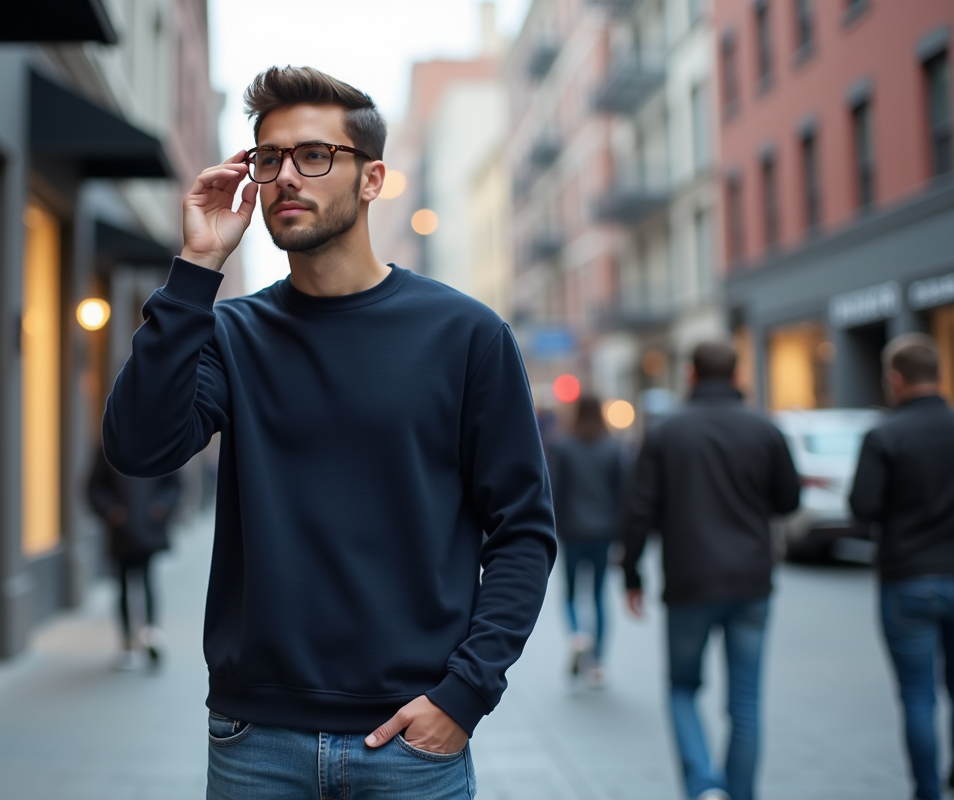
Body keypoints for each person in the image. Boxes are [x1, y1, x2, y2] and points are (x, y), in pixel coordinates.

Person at [102, 66, 558, 799]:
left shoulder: (466, 334)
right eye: (269, 157)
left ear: (372, 179)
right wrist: (196, 268)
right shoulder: (231, 333)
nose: (286, 175)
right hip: (255, 741)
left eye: (315, 155)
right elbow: (138, 447)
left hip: (412, 745)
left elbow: (523, 531)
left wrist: (466, 694)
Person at [621, 341, 800, 800]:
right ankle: (741, 793)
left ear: (691, 375)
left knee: (682, 688)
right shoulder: (765, 428)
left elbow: (639, 510)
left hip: (689, 581)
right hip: (751, 581)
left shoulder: (665, 432)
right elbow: (788, 501)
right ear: (737, 375)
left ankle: (702, 784)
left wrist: (632, 575)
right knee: (746, 702)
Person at [849, 334, 954, 800]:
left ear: (895, 379)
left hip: (908, 577)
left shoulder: (884, 436)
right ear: (941, 375)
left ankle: (927, 792)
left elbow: (863, 508)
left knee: (917, 695)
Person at [551, 394, 626, 687]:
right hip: (604, 531)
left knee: (570, 593)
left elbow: (554, 490)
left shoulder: (563, 446)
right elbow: (623, 494)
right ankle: (597, 664)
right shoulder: (613, 448)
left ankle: (577, 635)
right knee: (598, 595)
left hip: (572, 531)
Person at [88, 444, 182, 670]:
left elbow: (174, 485)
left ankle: (150, 637)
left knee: (147, 581)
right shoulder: (109, 447)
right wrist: (112, 511)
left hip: (148, 529)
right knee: (122, 586)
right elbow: (94, 487)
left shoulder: (159, 445)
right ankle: (128, 644)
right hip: (121, 532)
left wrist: (160, 507)